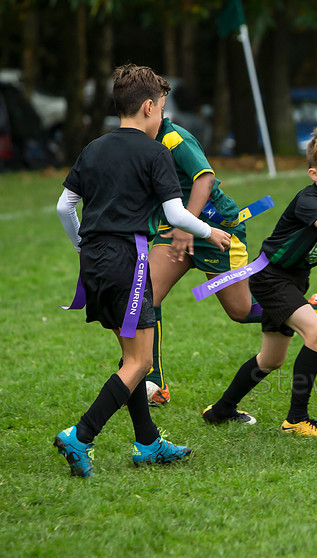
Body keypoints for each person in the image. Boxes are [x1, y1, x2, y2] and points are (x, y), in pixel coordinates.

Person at [53, 64, 231, 477]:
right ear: (149, 107)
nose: (163, 119)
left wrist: (83, 243)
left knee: (129, 355)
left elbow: (64, 206)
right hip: (128, 263)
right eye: (162, 110)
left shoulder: (93, 148)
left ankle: (148, 442)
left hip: (93, 264)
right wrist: (212, 232)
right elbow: (174, 213)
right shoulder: (156, 152)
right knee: (139, 363)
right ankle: (80, 435)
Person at [201, 128, 317, 436]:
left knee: (271, 359)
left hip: (294, 281)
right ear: (314, 173)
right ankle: (296, 419)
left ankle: (220, 410)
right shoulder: (309, 200)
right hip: (272, 278)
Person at [146, 115, 260, 406]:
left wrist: (188, 225)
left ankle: (308, 309)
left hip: (214, 226)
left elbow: (205, 178)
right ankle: (153, 382)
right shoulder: (134, 141)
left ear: (149, 107)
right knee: (146, 299)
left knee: (241, 311)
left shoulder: (174, 138)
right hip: (172, 230)